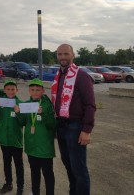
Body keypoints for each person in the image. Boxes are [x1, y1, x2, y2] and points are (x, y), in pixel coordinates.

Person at [52, 44, 96, 195]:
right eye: (60, 54)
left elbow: (90, 105)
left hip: (75, 127)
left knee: (79, 169)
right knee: (68, 166)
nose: (62, 57)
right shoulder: (58, 76)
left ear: (72, 55)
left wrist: (86, 130)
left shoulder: (81, 76)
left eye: (66, 54)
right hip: (62, 126)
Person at [16, 78, 56, 195]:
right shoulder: (26, 105)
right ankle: (35, 192)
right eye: (32, 90)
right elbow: (22, 123)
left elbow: (52, 125)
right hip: (31, 144)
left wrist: (43, 114)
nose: (35, 92)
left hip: (44, 146)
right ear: (29, 91)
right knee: (34, 172)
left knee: (47, 172)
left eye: (37, 90)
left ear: (43, 91)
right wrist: (18, 113)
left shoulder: (47, 105)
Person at [0, 80, 24, 195]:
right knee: (6, 163)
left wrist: (18, 112)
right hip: (4, 139)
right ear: (4, 90)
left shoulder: (20, 103)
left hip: (16, 140)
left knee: (18, 165)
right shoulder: (2, 103)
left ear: (17, 90)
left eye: (13, 89)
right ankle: (8, 184)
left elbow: (23, 122)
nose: (10, 91)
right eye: (8, 89)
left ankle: (20, 187)